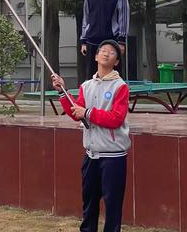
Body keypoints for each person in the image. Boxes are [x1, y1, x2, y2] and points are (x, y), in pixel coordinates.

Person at [51, 39, 130, 232]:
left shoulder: (120, 87)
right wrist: (62, 92)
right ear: (95, 56)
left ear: (116, 61)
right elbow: (75, 111)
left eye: (112, 53)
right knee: (89, 204)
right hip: (91, 155)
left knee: (112, 207)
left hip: (113, 156)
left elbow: (116, 119)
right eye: (102, 51)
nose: (105, 54)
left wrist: (87, 113)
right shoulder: (86, 86)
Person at [80, 0, 130, 77]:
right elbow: (86, 16)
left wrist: (122, 41)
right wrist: (83, 41)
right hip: (91, 41)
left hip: (111, 41)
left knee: (113, 78)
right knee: (91, 79)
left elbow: (123, 15)